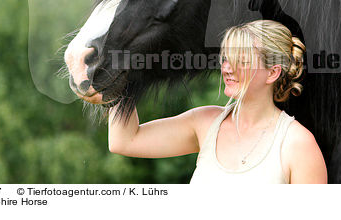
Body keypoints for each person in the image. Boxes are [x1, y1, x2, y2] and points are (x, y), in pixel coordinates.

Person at [108, 19, 327, 183]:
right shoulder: (204, 122)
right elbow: (124, 141)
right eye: (225, 59)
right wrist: (118, 73)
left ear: (272, 73)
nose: (227, 69)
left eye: (241, 60)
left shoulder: (297, 144)